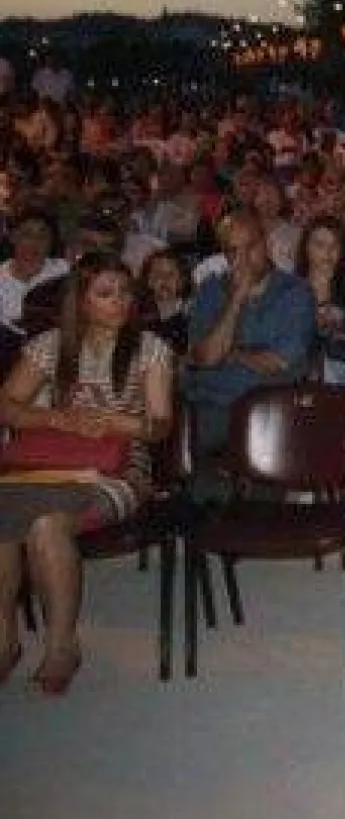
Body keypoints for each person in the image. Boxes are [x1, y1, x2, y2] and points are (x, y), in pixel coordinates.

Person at [0, 254, 174, 695]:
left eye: (124, 293)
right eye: (105, 294)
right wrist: (59, 419)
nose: (119, 303)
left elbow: (159, 424)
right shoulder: (50, 346)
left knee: (46, 527)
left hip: (118, 465)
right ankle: (5, 639)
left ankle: (62, 646)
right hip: (46, 463)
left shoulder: (148, 347)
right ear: (80, 302)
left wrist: (113, 421)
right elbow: (8, 406)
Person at [183, 209, 315, 473]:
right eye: (233, 251)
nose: (243, 258)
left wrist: (231, 353)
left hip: (270, 411)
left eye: (251, 247)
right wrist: (236, 298)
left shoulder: (295, 292)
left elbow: (276, 362)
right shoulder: (210, 291)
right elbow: (207, 357)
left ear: (265, 244)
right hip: (212, 408)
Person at [294, 215, 345, 387]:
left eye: (335, 246)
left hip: (341, 361)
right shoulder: (292, 284)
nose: (327, 253)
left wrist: (340, 316)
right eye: (319, 245)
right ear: (306, 247)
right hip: (300, 362)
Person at [136, 248, 192, 356]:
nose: (164, 280)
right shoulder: (141, 318)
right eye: (157, 274)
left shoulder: (191, 314)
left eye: (170, 274)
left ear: (182, 281)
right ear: (148, 281)